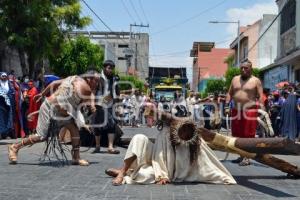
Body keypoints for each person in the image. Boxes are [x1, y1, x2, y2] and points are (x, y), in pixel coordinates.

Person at [104, 111, 236, 186]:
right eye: (182, 130)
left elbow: (207, 165)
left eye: (186, 132)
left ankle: (126, 172)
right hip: (155, 160)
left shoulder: (193, 141)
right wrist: (162, 175)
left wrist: (223, 177)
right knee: (138, 138)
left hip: (162, 170)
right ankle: (122, 172)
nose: (184, 134)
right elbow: (159, 157)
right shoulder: (167, 133)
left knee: (145, 175)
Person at [8, 70, 99, 166]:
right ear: (89, 79)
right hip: (51, 107)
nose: (97, 84)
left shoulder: (74, 77)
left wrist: (42, 94)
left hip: (63, 112)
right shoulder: (86, 90)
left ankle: (76, 158)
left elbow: (55, 83)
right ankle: (15, 147)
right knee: (41, 136)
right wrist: (91, 109)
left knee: (74, 130)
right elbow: (85, 104)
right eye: (96, 81)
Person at [225, 59, 264, 166]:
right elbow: (230, 93)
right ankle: (241, 155)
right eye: (241, 68)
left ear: (250, 69)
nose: (243, 70)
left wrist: (262, 109)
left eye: (246, 68)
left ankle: (247, 157)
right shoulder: (234, 79)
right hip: (236, 111)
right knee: (237, 135)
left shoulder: (256, 81)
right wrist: (226, 105)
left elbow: (261, 96)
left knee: (248, 135)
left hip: (250, 111)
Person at [92, 60, 120, 154]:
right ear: (104, 68)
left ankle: (110, 147)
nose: (110, 70)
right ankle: (97, 146)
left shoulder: (114, 79)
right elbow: (92, 91)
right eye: (109, 68)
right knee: (97, 125)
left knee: (111, 124)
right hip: (98, 104)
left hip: (110, 104)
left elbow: (116, 92)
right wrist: (92, 104)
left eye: (112, 68)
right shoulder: (98, 78)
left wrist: (117, 106)